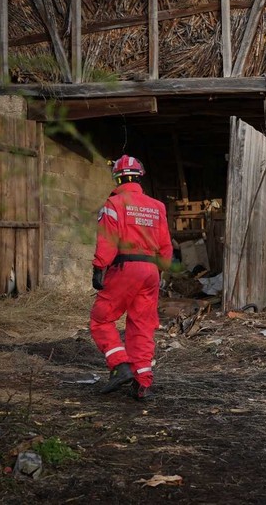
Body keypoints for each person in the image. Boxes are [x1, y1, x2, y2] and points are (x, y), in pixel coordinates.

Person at [90, 155, 172, 400]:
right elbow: (166, 246)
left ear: (116, 177)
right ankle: (142, 381)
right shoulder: (157, 206)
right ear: (140, 176)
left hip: (125, 268)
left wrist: (98, 267)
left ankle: (120, 365)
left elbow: (108, 239)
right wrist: (159, 271)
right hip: (151, 272)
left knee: (101, 320)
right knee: (142, 326)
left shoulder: (114, 204)